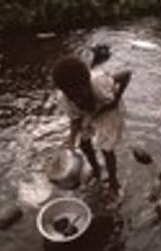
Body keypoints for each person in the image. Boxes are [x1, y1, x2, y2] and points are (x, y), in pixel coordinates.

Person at [52, 55, 131, 196]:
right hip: (88, 112)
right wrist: (71, 140)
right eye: (72, 96)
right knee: (83, 143)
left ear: (87, 83)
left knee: (106, 148)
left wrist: (116, 100)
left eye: (79, 94)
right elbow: (75, 120)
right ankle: (96, 170)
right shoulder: (65, 99)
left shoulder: (100, 83)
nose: (76, 99)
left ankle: (113, 182)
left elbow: (127, 74)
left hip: (108, 110)